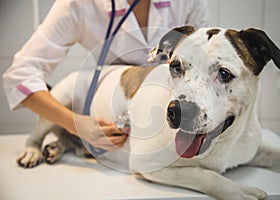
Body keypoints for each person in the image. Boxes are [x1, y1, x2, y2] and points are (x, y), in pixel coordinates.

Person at [2, 0, 208, 152]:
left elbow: (203, 57)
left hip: (168, 107)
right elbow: (20, 75)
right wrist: (75, 124)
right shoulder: (78, 4)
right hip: (117, 108)